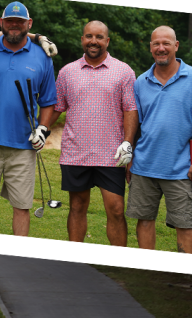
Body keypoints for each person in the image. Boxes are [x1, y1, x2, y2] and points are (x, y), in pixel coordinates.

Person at [0, 1, 57, 237]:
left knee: (22, 206)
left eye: (20, 22)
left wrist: (43, 130)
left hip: (23, 143)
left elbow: (48, 101)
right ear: (2, 23)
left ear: (29, 24)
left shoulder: (43, 56)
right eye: (10, 22)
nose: (14, 26)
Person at [128, 26, 192, 253]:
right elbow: (137, 126)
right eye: (156, 44)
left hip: (181, 169)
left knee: (185, 225)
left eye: (166, 43)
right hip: (144, 166)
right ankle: (148, 274)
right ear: (151, 48)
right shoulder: (140, 82)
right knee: (144, 221)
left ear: (176, 46)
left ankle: (185, 278)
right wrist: (130, 159)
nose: (161, 48)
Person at [54, 20, 137, 246]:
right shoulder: (67, 72)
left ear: (107, 41)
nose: (94, 41)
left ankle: (118, 262)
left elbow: (131, 108)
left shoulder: (124, 71)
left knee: (116, 209)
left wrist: (128, 143)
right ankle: (76, 258)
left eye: (99, 37)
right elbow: (57, 107)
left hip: (112, 154)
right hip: (76, 152)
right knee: (77, 206)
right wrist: (41, 129)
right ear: (82, 39)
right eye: (89, 36)